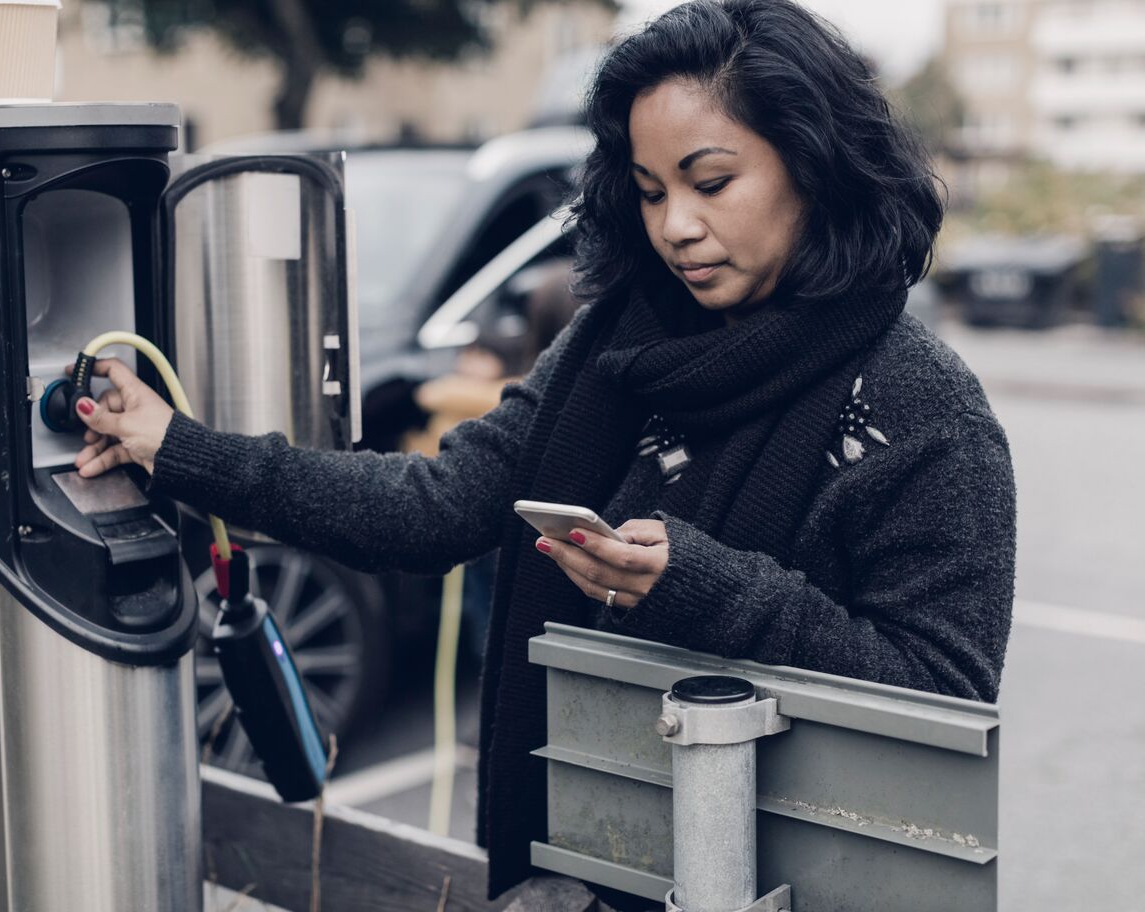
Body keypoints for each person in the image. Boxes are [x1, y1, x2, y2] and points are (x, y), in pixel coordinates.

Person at [68, 1, 1016, 903]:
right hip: (572, 868)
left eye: (711, 181)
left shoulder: (923, 410)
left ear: (814, 164)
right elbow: (436, 505)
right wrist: (179, 448)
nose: (675, 225)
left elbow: (941, 708)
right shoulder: (615, 342)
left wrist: (702, 589)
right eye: (650, 191)